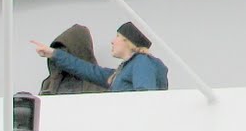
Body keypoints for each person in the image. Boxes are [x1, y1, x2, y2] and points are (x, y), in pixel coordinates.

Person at [32, 21, 168, 92]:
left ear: (128, 42)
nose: (113, 41)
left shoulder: (142, 62)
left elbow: (146, 99)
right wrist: (53, 53)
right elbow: (87, 70)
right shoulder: (121, 72)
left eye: (118, 37)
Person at [39, 24, 108, 95]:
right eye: (59, 51)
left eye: (65, 52)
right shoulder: (49, 83)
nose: (61, 59)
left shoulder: (98, 82)